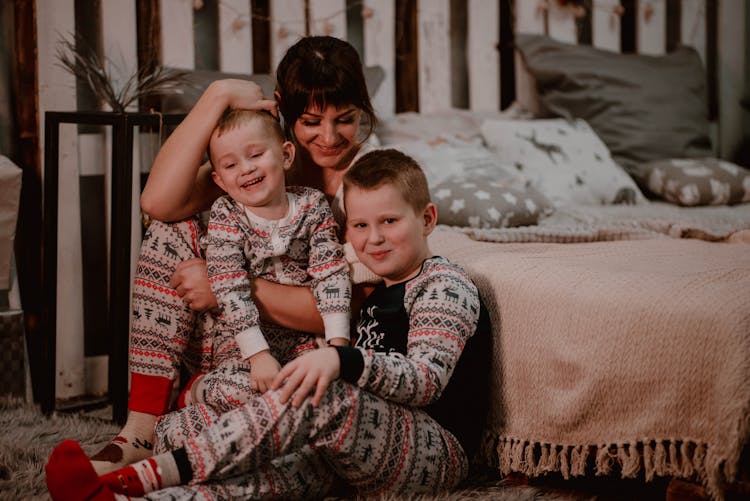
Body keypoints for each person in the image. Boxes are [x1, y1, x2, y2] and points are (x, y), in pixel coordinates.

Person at [45, 148, 492, 500]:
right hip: (359, 444)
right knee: (257, 467)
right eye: (360, 225)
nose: (373, 238)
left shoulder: (442, 284)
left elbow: (426, 381)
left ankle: (140, 478)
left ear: (427, 219)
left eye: (389, 222)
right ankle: (122, 499)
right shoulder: (375, 292)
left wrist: (342, 361)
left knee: (322, 395)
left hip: (435, 452)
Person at [85, 35, 379, 475]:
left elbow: (356, 307)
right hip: (224, 339)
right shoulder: (260, 161)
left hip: (295, 348)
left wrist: (227, 286)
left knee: (298, 400)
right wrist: (217, 95)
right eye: (312, 121)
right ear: (282, 110)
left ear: (364, 109)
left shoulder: (369, 178)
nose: (330, 137)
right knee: (171, 229)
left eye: (347, 119)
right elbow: (157, 203)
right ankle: (142, 427)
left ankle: (191, 412)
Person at [181, 108, 351, 412]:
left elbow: (331, 274)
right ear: (220, 180)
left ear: (286, 155)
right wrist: (258, 355)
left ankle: (208, 428)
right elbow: (228, 286)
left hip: (302, 341)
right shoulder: (227, 214)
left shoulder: (313, 205)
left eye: (256, 155)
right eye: (231, 165)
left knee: (318, 395)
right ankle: (197, 390)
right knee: (247, 391)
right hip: (240, 343)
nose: (245, 169)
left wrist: (339, 349)